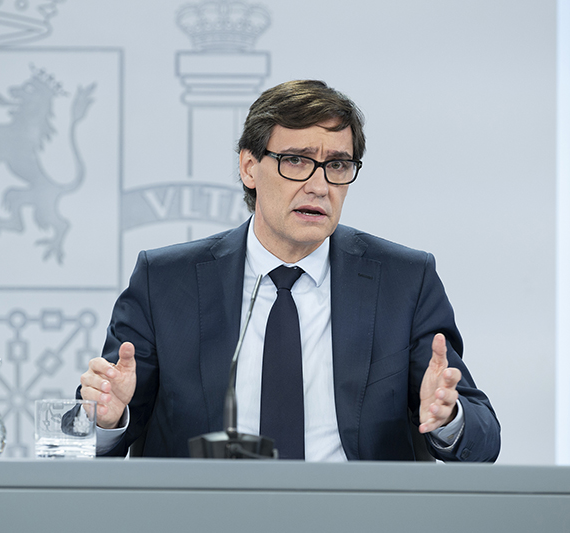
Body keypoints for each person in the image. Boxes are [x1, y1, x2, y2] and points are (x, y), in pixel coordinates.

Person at [78, 80, 501, 461]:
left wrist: (449, 418)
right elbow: (90, 435)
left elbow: (483, 436)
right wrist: (106, 419)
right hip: (208, 509)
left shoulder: (404, 281)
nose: (319, 185)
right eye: (296, 160)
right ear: (249, 167)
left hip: (355, 510)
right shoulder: (165, 281)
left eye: (337, 165)